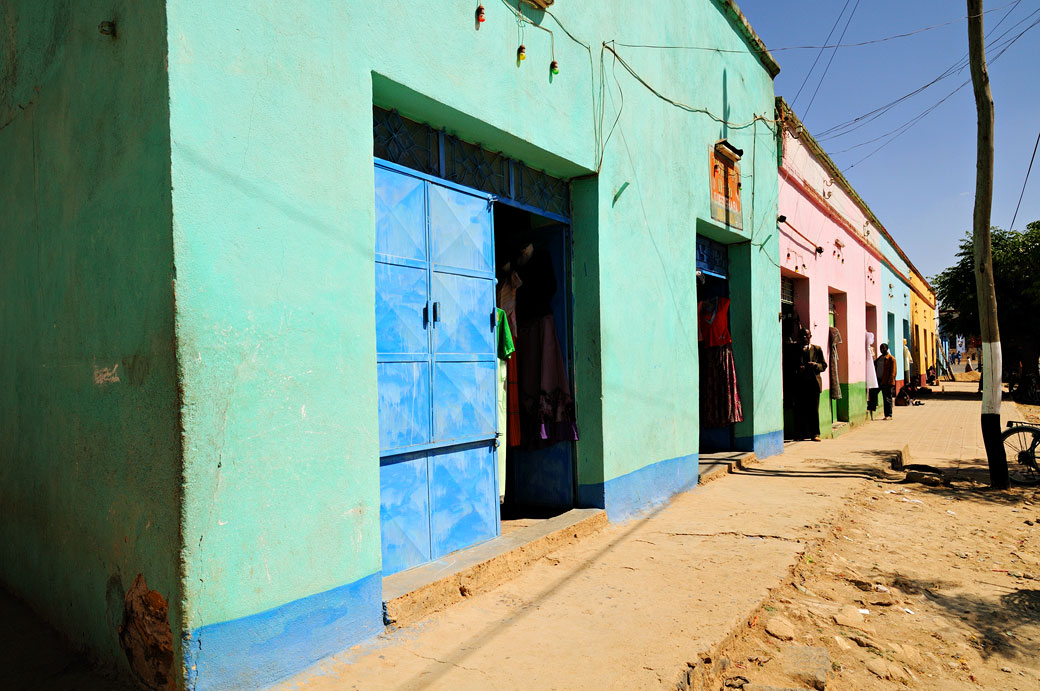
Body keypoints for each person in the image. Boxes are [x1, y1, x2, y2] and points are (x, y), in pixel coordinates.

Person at [792, 328, 827, 441]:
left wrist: (816, 365)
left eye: (806, 336)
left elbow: (824, 365)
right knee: (800, 409)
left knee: (813, 410)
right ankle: (800, 434)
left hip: (813, 384)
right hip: (800, 384)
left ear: (810, 336)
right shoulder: (796, 350)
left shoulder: (817, 349)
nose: (804, 338)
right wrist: (798, 369)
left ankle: (815, 434)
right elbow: (790, 366)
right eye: (802, 336)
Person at [876, 343, 898, 420]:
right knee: (874, 394)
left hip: (887, 382)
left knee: (887, 398)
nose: (882, 350)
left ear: (887, 349)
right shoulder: (879, 358)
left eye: (884, 348)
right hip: (879, 381)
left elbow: (893, 372)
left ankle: (889, 415)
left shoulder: (891, 359)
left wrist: (891, 382)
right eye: (881, 348)